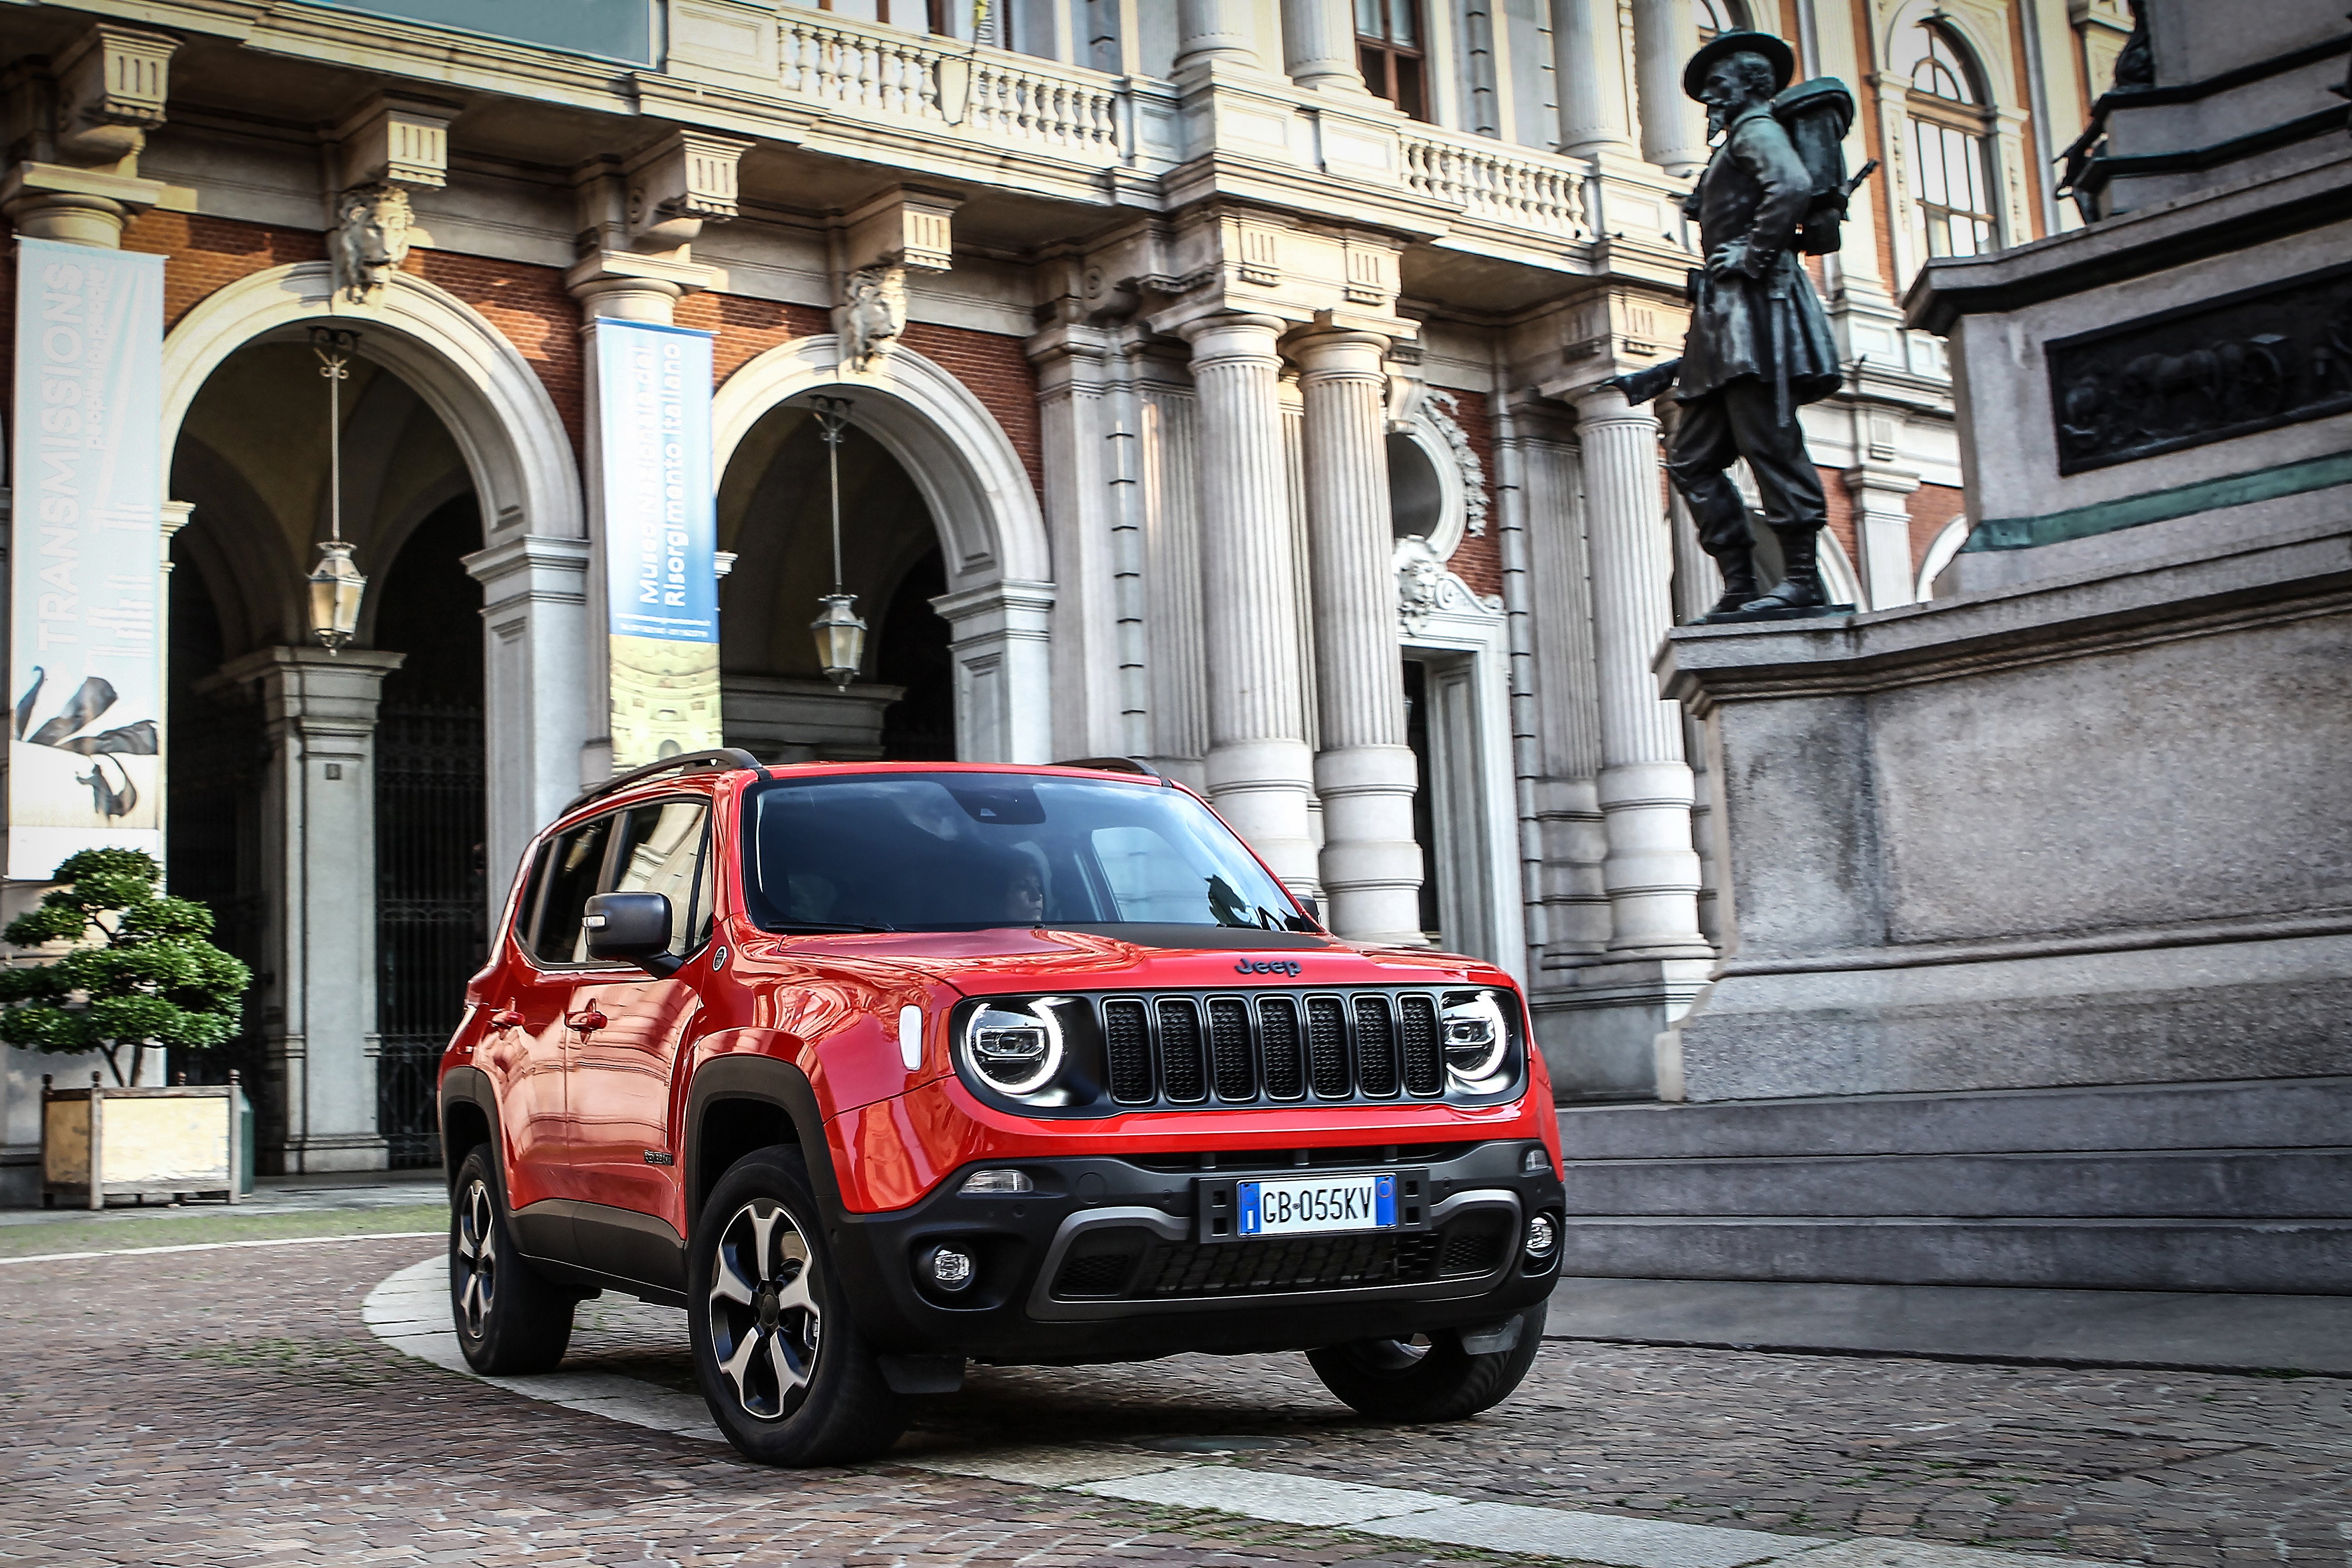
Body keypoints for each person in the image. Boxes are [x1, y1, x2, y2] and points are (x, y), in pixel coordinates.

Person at [1611, 30, 1844, 617]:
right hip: (1724, 322)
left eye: (1718, 85)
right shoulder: (1734, 141)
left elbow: (1789, 186)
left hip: (1756, 317)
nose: (1709, 98)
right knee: (1690, 459)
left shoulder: (1756, 130)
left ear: (1751, 86)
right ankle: (1740, 582)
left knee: (1769, 443)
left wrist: (1751, 253)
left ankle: (1800, 580)